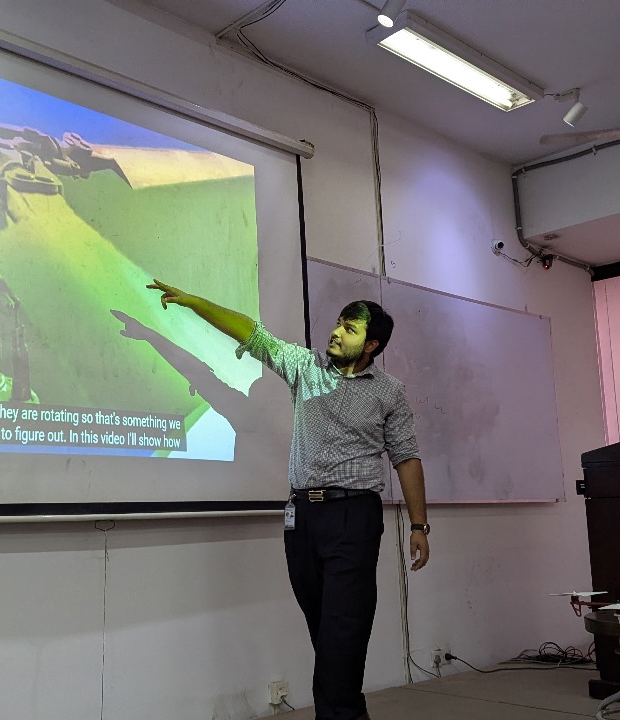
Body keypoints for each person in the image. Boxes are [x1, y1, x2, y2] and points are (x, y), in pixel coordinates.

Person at [147, 279, 429, 720]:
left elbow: (407, 458)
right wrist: (195, 302)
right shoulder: (306, 367)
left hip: (353, 514)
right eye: (338, 323)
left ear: (371, 345)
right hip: (302, 518)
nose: (336, 332)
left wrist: (418, 525)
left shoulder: (387, 391)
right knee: (327, 632)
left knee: (342, 630)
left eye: (350, 329)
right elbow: (252, 334)